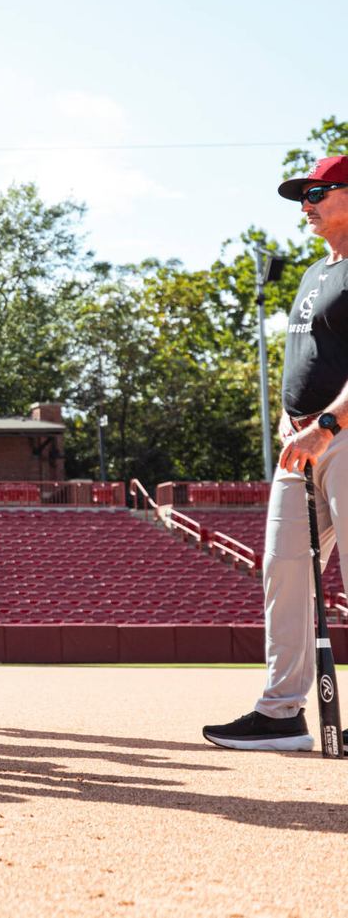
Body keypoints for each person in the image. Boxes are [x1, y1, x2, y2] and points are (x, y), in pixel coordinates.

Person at [204, 154, 348, 751]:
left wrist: (327, 424)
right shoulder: (316, 272)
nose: (306, 204)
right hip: (301, 444)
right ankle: (282, 712)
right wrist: (294, 419)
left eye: (317, 192)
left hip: (340, 436)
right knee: (283, 572)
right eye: (302, 195)